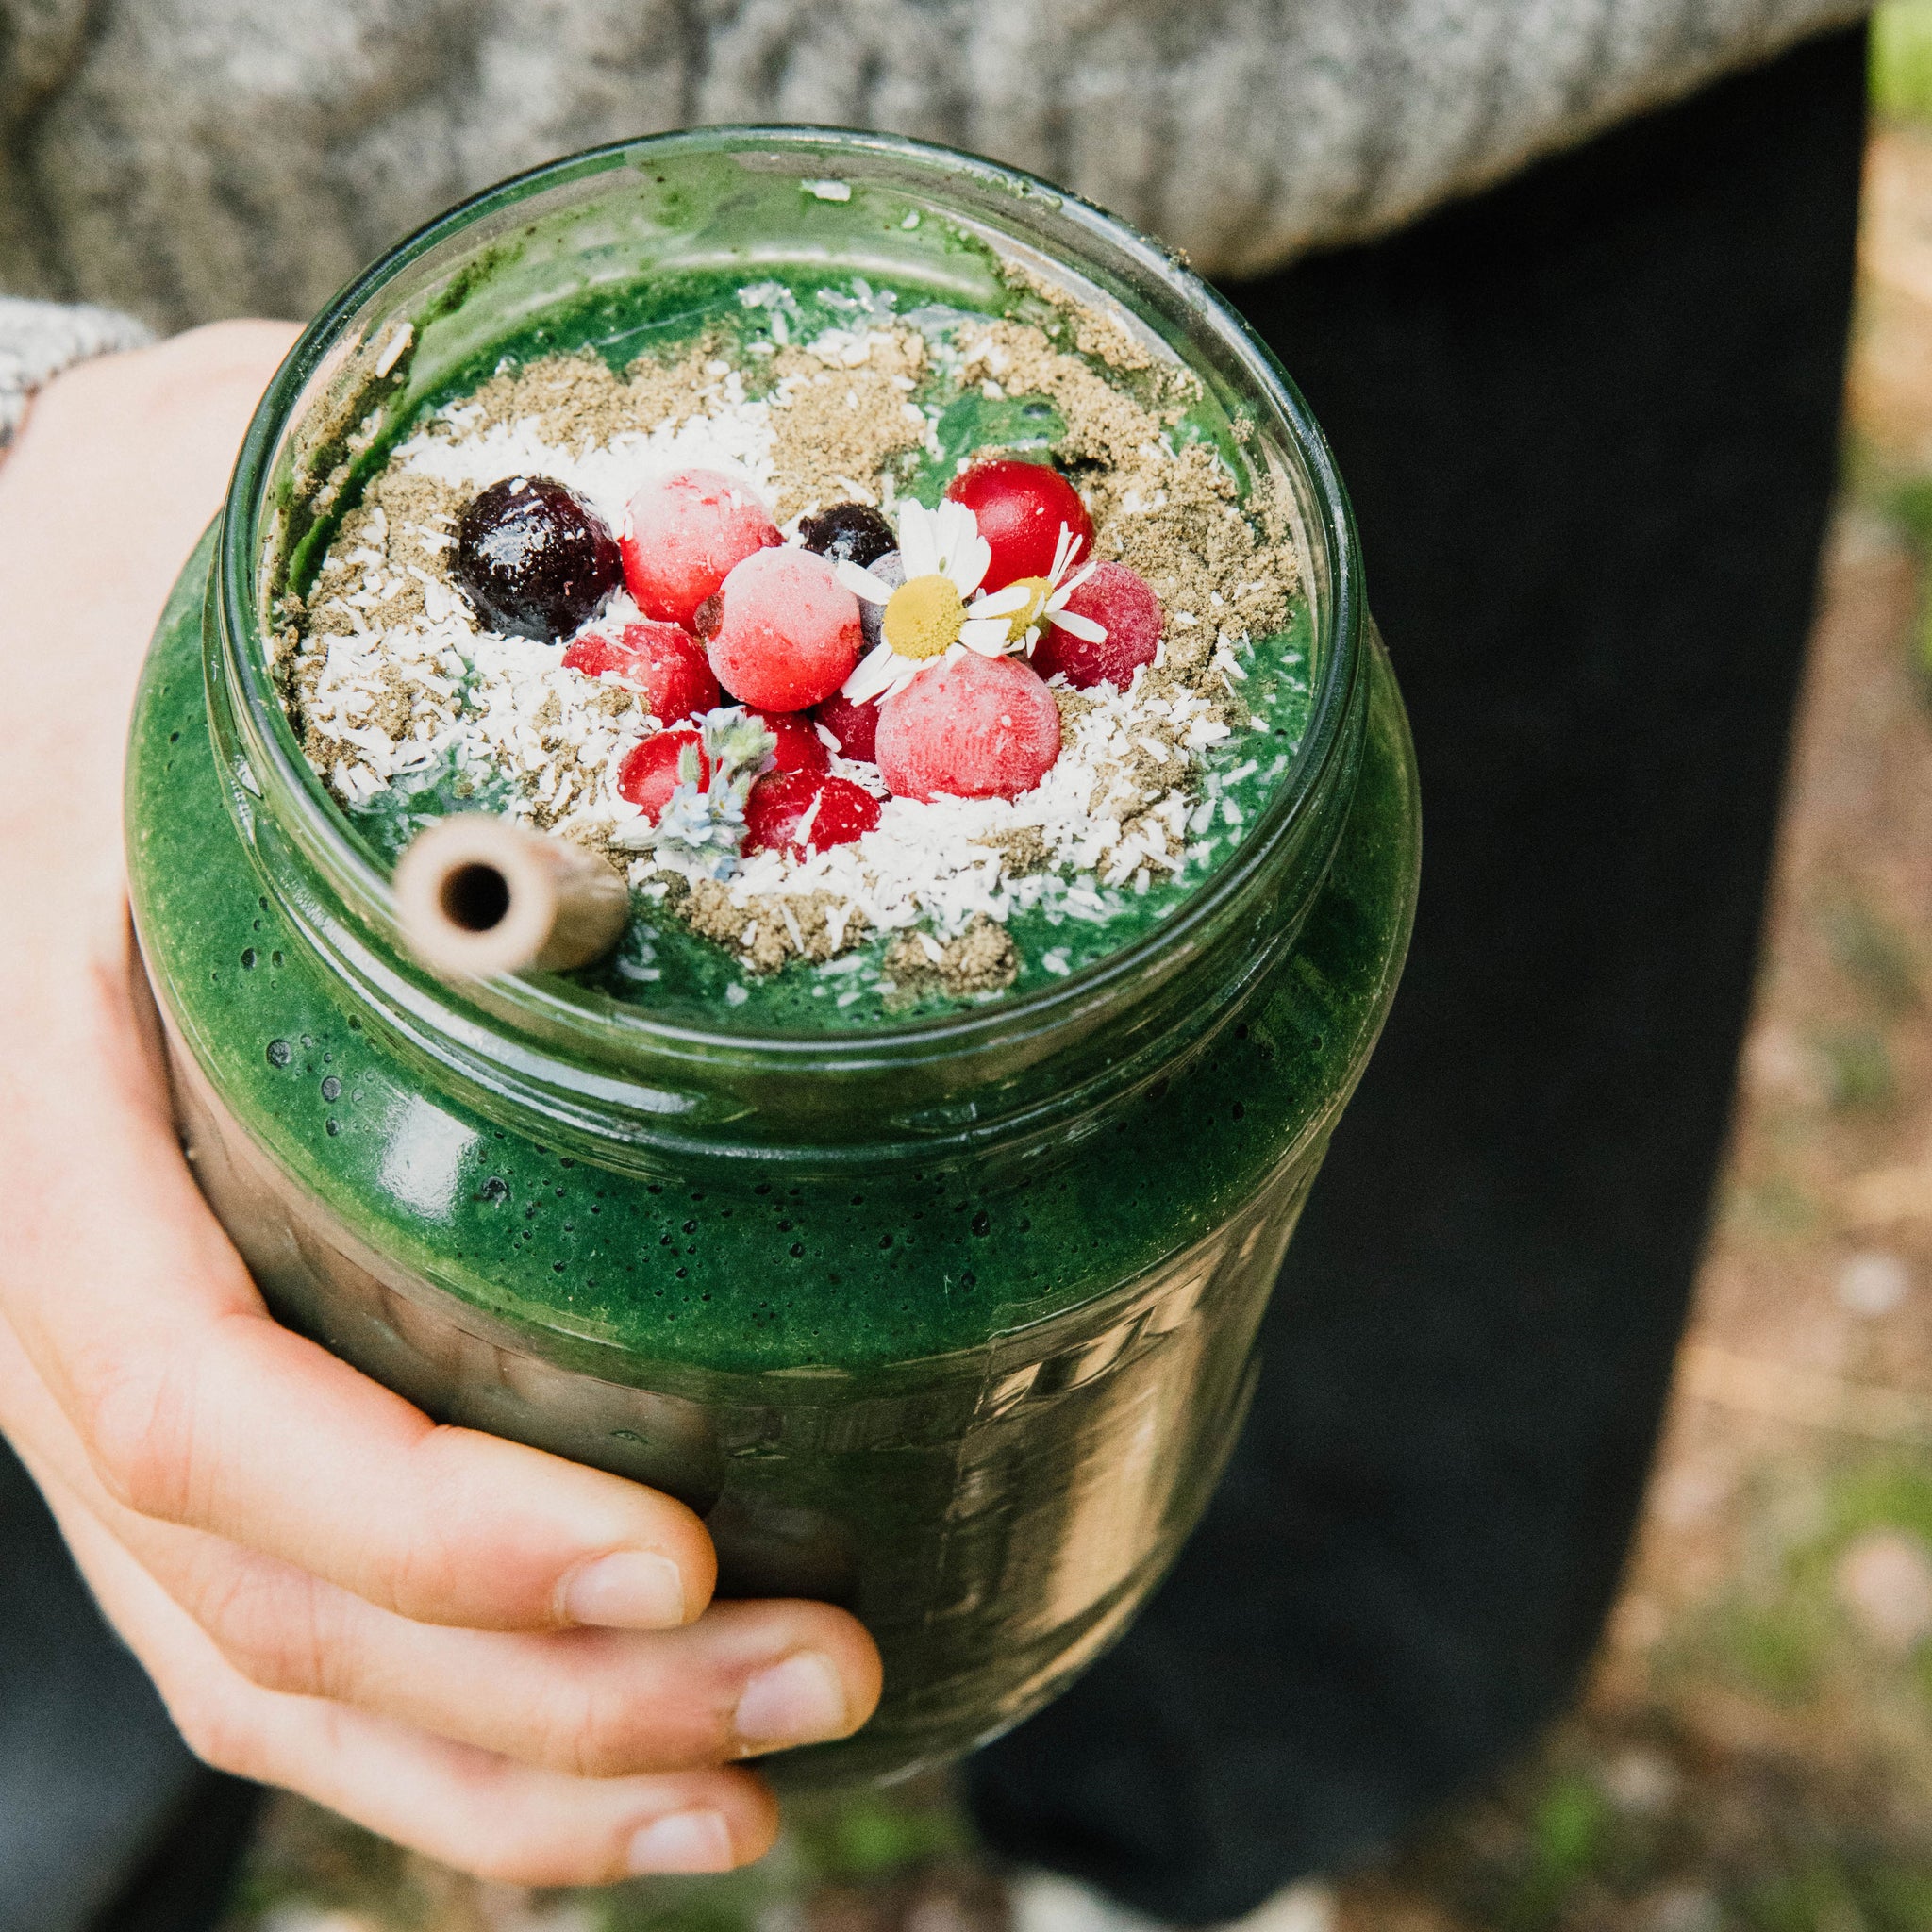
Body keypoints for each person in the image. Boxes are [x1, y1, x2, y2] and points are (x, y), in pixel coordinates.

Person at [0, 6, 1871, 1926]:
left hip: (1538, 137)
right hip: (175, 373)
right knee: (146, 1554)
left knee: (1448, 1291)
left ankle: (1200, 1838)